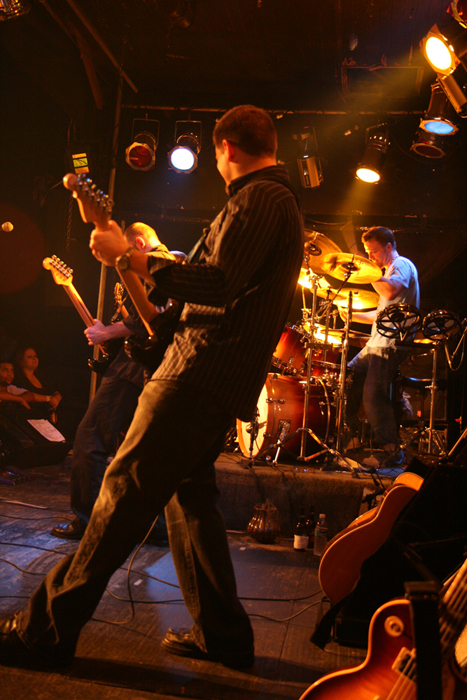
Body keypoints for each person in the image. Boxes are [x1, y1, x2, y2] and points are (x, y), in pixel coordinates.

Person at [0, 104, 304, 670]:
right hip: (208, 373)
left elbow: (217, 283)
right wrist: (132, 272)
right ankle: (223, 636)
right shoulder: (270, 200)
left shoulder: (260, 197)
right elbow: (200, 305)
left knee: (121, 493)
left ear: (225, 148)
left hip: (198, 374)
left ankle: (45, 631)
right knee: (191, 502)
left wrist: (135, 257)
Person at [50, 222, 175, 541]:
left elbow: (153, 317)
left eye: (128, 251)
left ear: (139, 243)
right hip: (145, 368)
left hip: (134, 369)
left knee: (89, 438)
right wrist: (106, 332)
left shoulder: (160, 260)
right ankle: (156, 528)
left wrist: (107, 332)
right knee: (140, 450)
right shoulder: (165, 264)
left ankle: (88, 521)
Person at [342, 226, 420, 472]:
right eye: (367, 252)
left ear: (388, 247)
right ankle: (353, 437)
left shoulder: (402, 264)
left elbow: (391, 289)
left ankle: (392, 453)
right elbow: (380, 314)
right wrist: (352, 314)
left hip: (390, 344)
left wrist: (367, 272)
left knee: (374, 396)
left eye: (374, 251)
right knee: (346, 378)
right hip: (376, 344)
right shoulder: (387, 272)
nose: (371, 256)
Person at [13, 347, 62, 419]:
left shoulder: (41, 377)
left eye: (35, 356)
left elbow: (56, 392)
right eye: (29, 357)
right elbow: (27, 396)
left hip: (45, 418)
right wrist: (49, 398)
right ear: (20, 361)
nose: (34, 359)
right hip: (28, 417)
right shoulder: (17, 378)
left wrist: (57, 398)